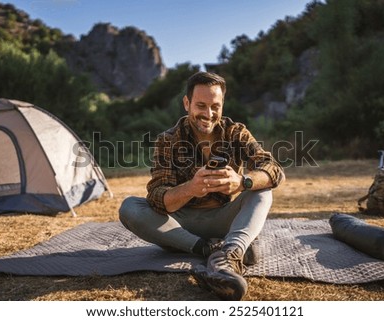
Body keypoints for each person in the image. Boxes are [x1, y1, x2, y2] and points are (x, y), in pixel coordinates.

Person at [119, 71, 285, 300]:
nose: (208, 114)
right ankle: (211, 250)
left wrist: (242, 182)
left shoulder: (236, 132)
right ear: (187, 103)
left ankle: (232, 254)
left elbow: (273, 169)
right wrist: (190, 188)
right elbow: (158, 197)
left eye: (215, 106)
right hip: (179, 226)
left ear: (223, 105)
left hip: (224, 220)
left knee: (262, 191)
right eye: (201, 105)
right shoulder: (168, 140)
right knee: (129, 207)